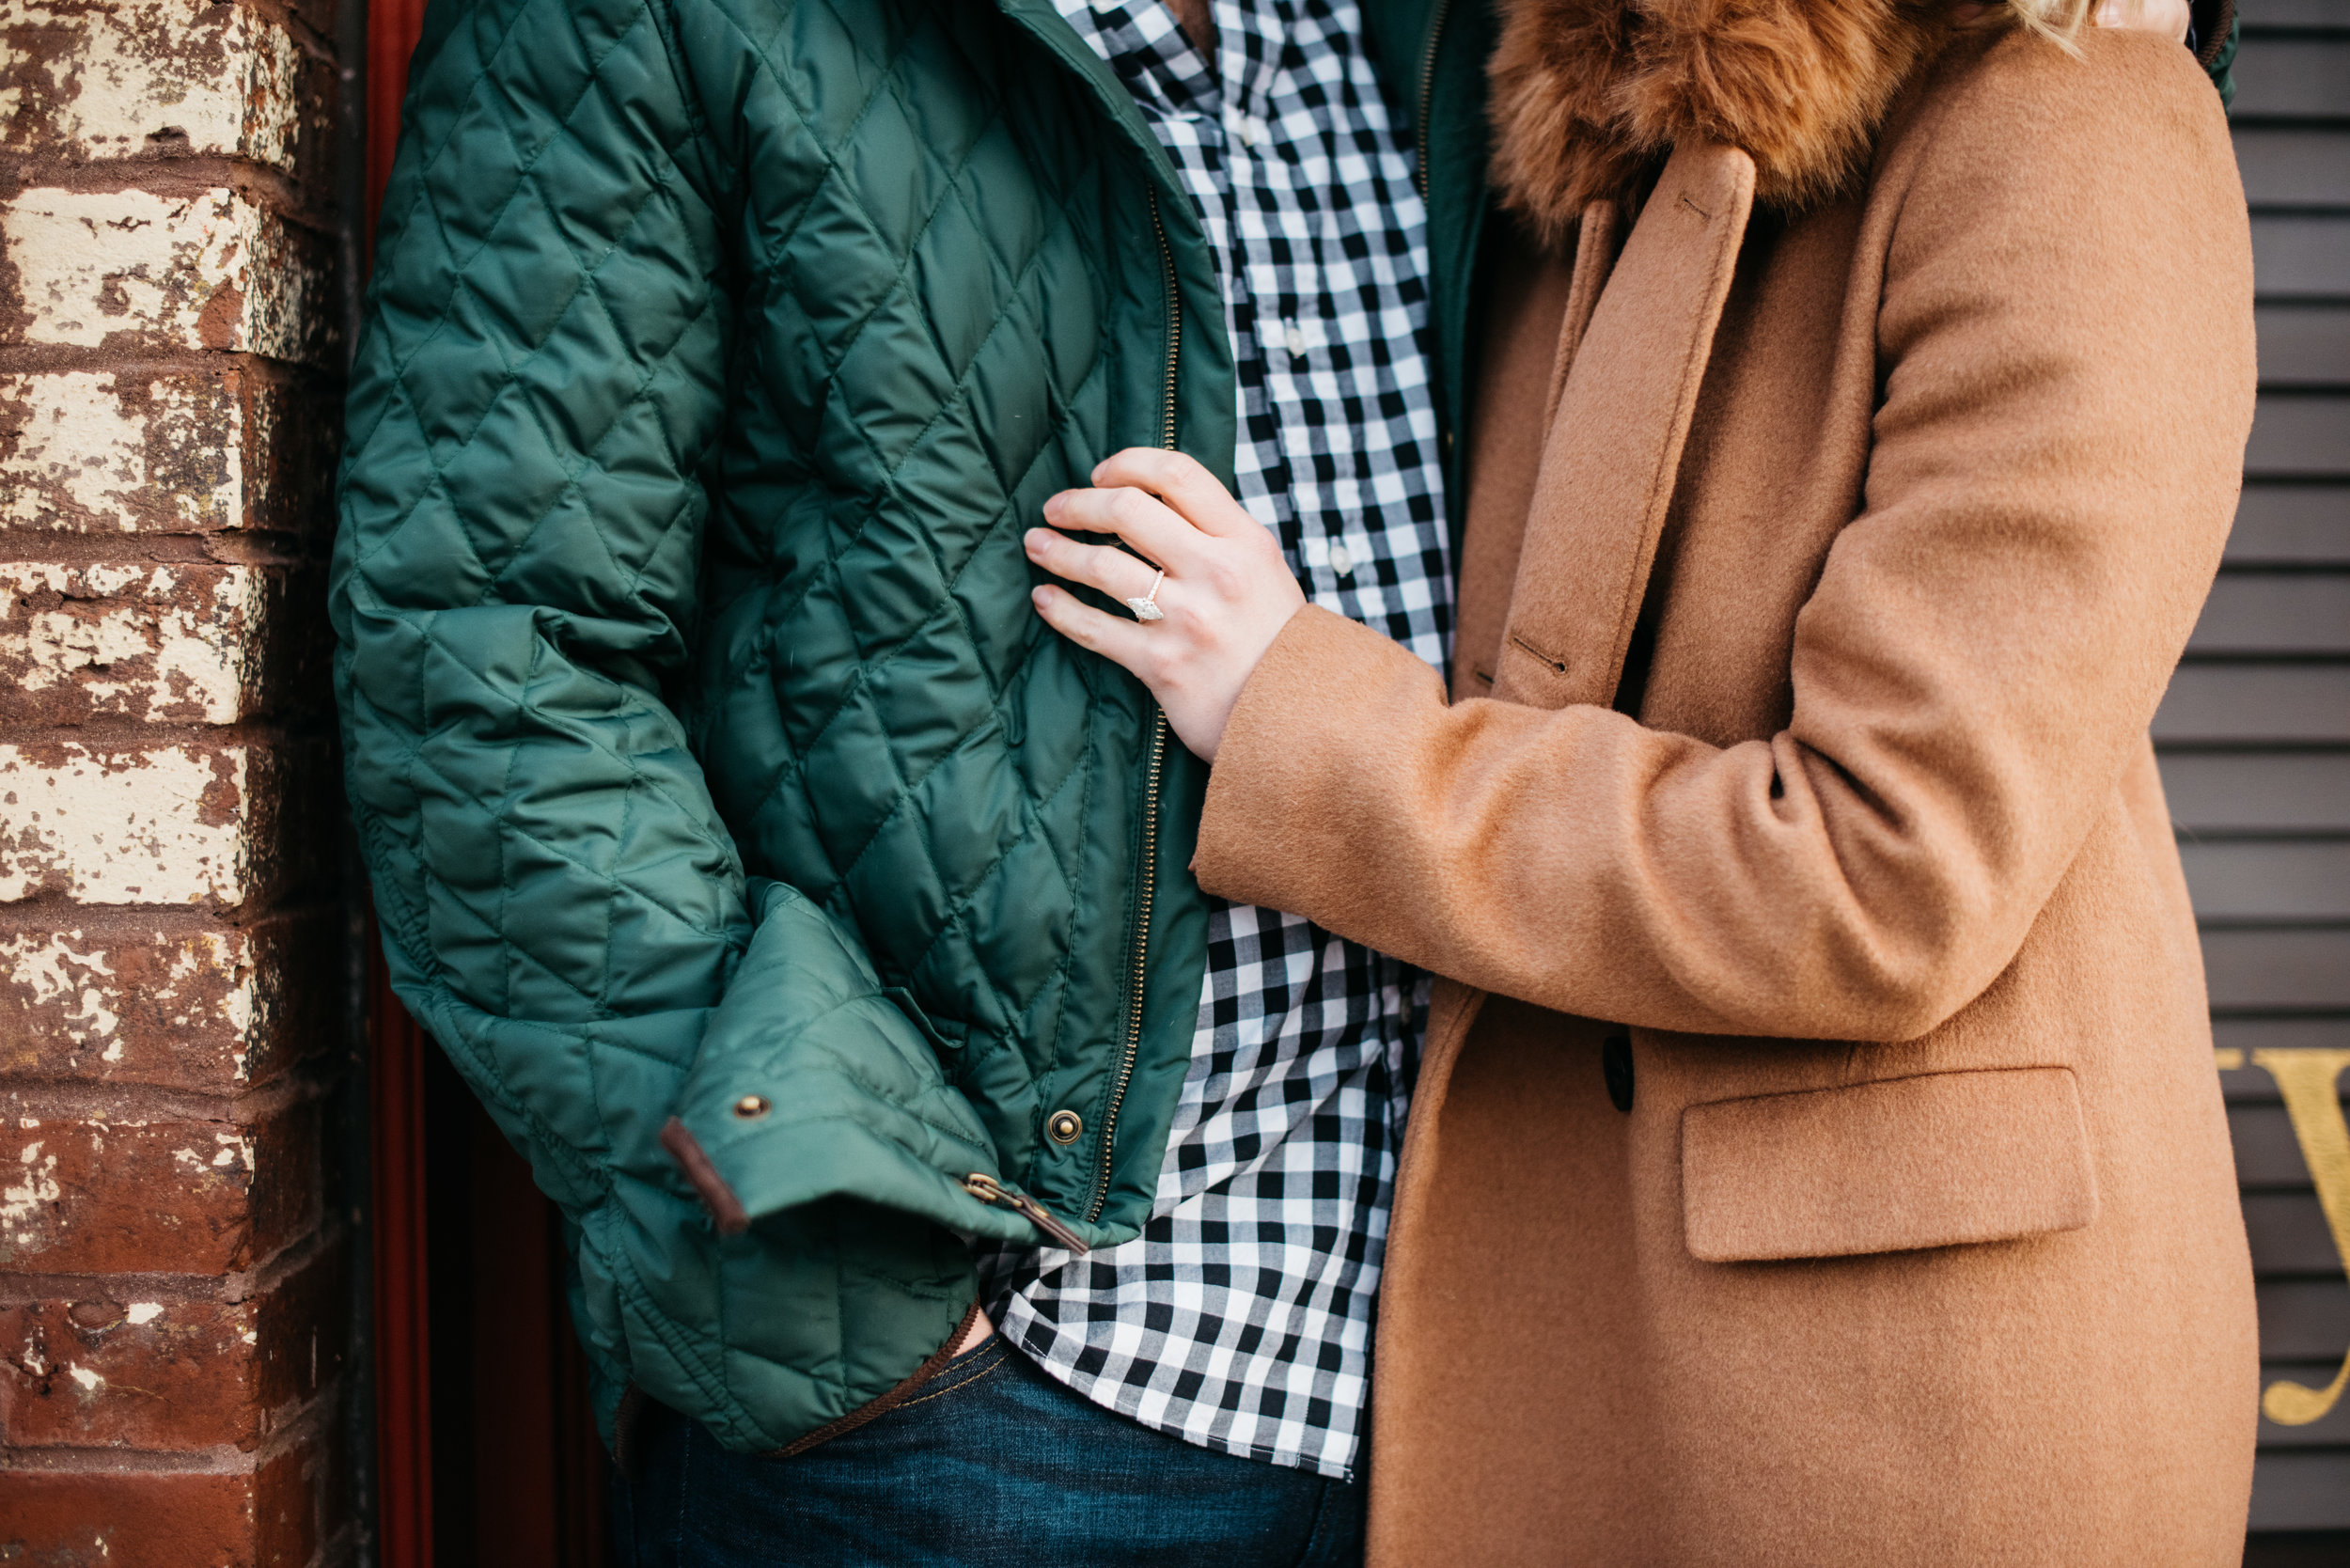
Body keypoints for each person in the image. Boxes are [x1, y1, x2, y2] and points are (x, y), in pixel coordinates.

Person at [333, 0, 2233, 1563]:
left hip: (1508, 1404)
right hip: (994, 1418)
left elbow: (1885, 834)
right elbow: (479, 664)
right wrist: (838, 1280)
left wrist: (1291, 710)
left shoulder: (1457, 45)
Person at [1024, 0, 2259, 1563]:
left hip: (1894, 1413)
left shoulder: (2069, 114)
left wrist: (1302, 714)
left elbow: (1885, 872)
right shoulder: (1560, 126)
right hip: (1511, 1342)